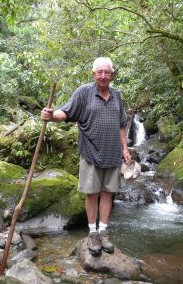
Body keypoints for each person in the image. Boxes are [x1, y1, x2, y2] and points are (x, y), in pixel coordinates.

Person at [41, 57, 131, 256]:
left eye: (107, 72)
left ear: (112, 75)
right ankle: (92, 233)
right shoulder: (83, 93)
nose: (103, 76)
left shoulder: (117, 95)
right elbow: (65, 112)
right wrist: (51, 115)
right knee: (92, 193)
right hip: (90, 152)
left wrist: (125, 149)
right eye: (99, 72)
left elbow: (121, 125)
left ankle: (103, 232)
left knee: (108, 193)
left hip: (113, 153)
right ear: (93, 74)